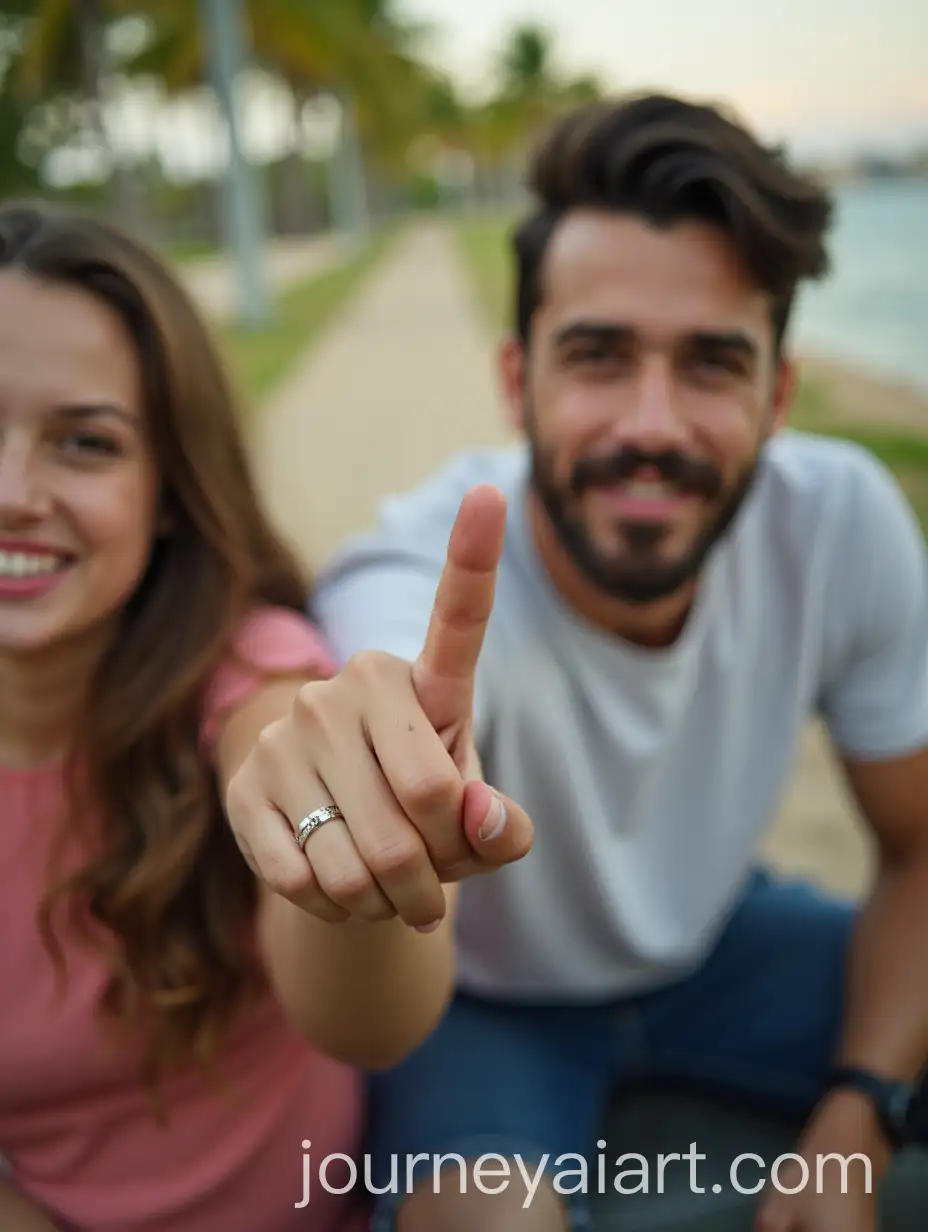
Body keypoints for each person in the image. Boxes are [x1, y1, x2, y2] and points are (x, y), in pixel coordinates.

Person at [232, 94, 928, 1231]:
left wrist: (858, 1112)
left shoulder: (842, 520)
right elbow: (378, 681)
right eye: (598, 357)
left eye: (711, 363)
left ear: (777, 396)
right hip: (485, 1002)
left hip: (720, 941)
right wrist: (365, 777)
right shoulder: (414, 571)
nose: (650, 423)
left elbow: (916, 843)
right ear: (516, 381)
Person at [0, 200, 531, 1232]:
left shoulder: (249, 672)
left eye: (84, 442)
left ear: (166, 489)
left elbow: (371, 1024)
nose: (14, 492)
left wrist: (354, 841)